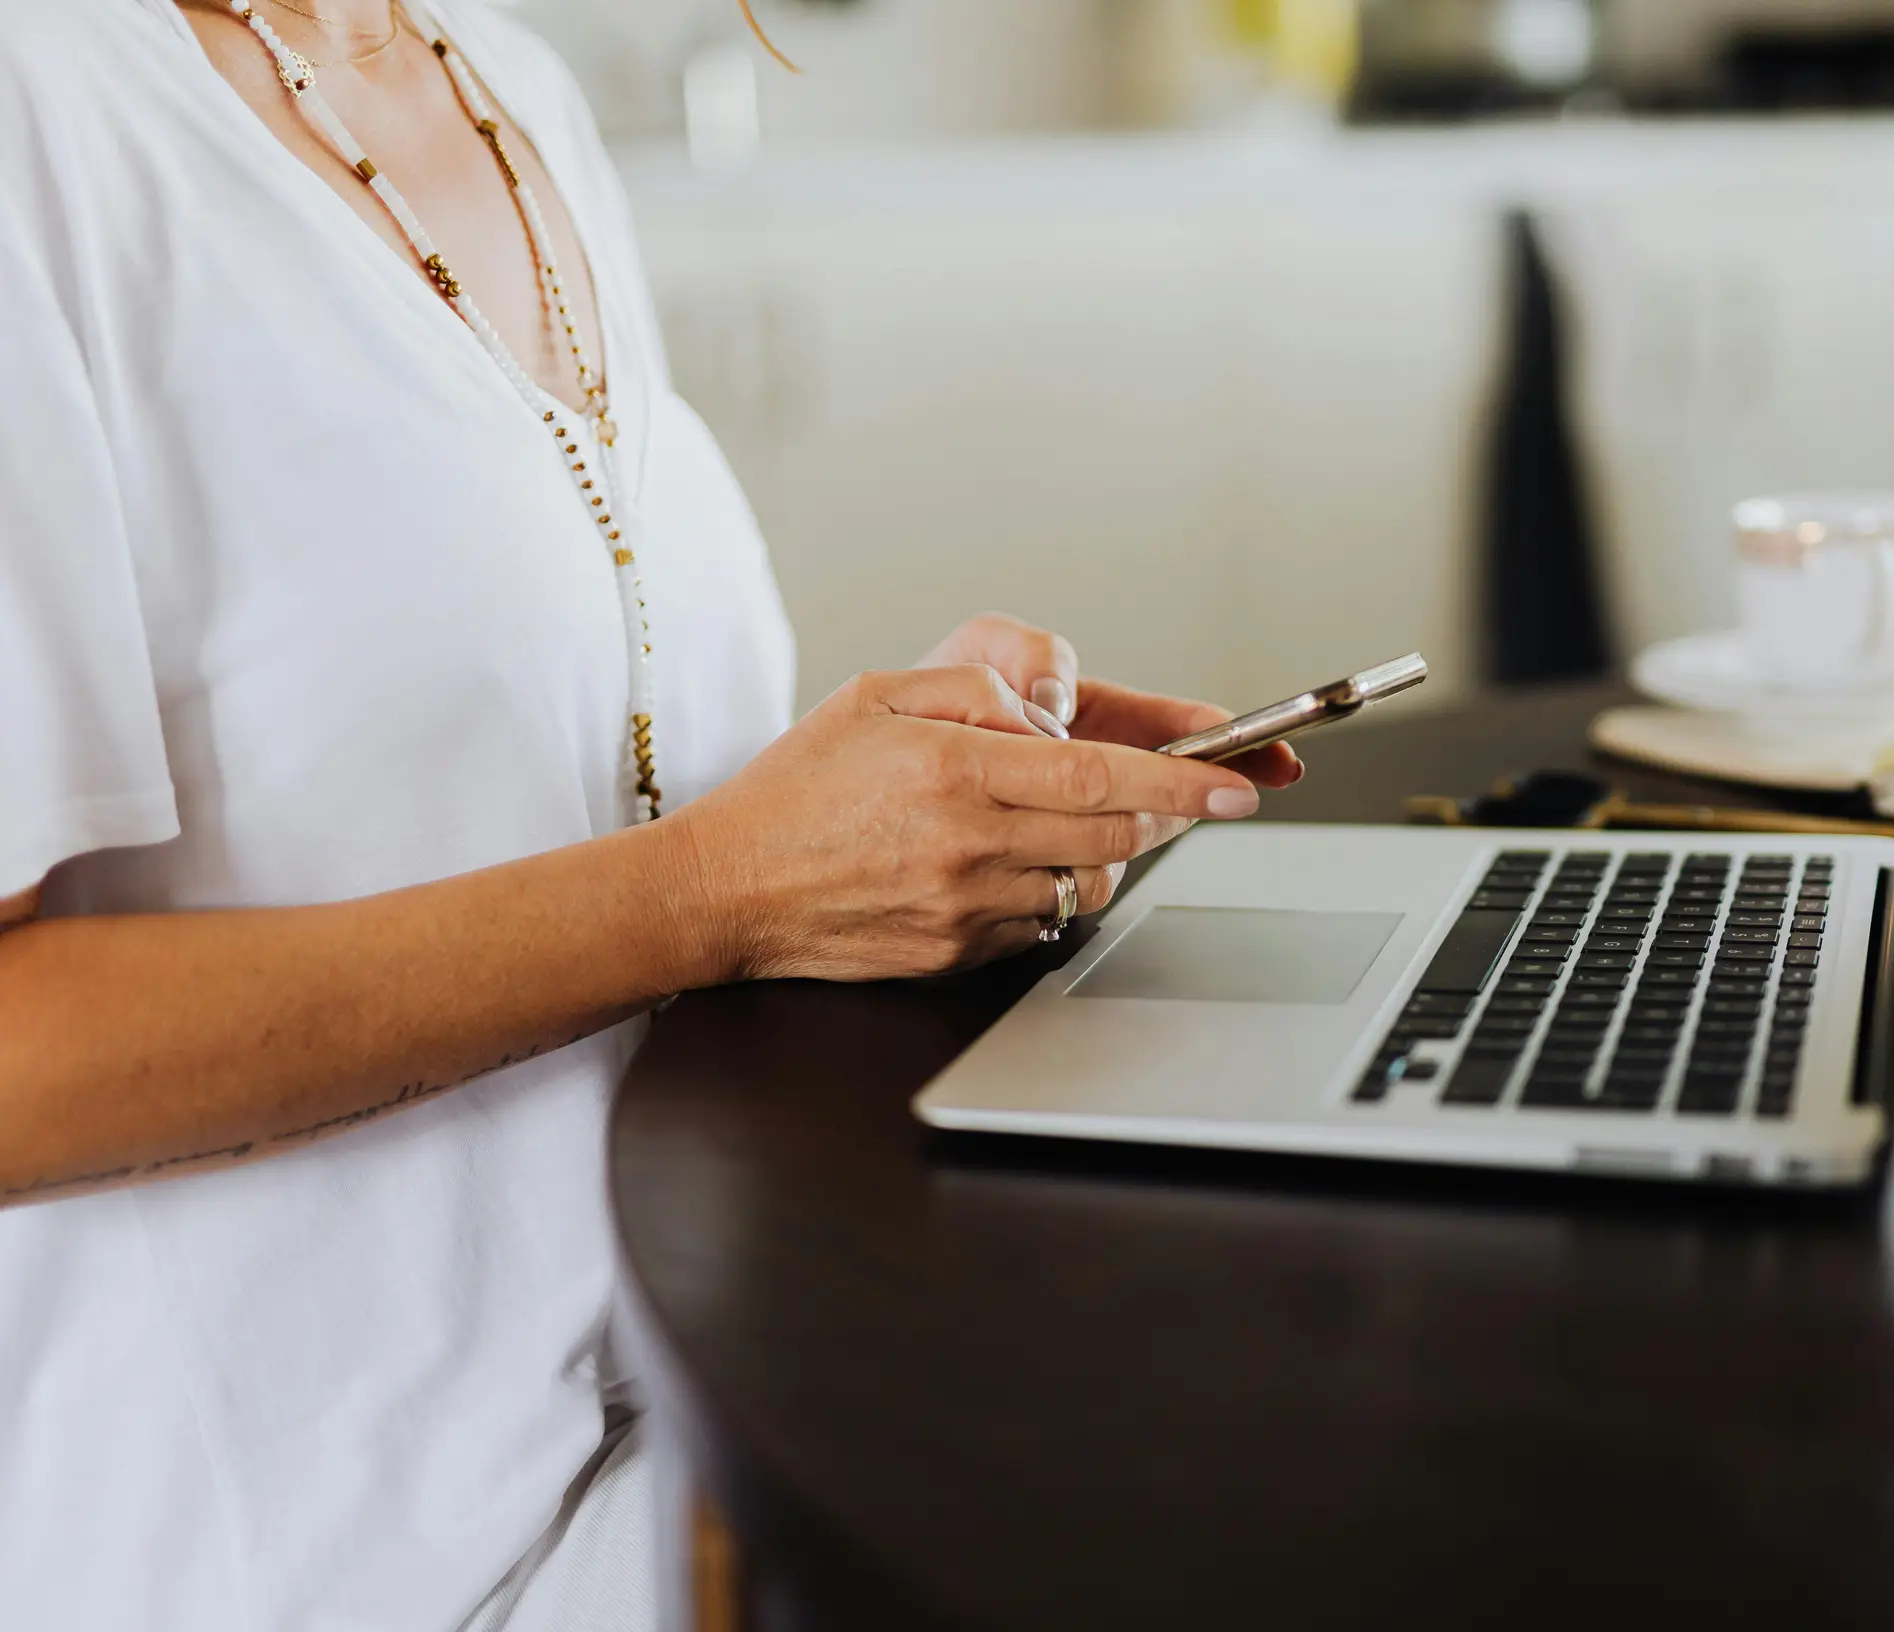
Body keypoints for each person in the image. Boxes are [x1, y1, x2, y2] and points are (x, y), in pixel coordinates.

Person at [0, 1, 1299, 1626]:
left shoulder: (496, 81)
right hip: (341, 1557)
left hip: (705, 1395)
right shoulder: (36, 113)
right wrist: (731, 884)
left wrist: (890, 806)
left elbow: (535, 766)